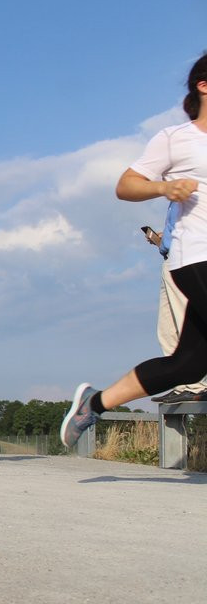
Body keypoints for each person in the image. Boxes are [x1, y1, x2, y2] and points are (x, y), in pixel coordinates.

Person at [62, 54, 207, 449]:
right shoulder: (176, 139)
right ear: (203, 86)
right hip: (194, 256)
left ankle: (94, 404)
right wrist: (164, 188)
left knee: (190, 364)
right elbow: (126, 185)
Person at [143, 214, 207, 403]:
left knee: (183, 323)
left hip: (187, 260)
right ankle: (181, 385)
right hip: (171, 257)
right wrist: (164, 239)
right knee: (167, 329)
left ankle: (195, 386)